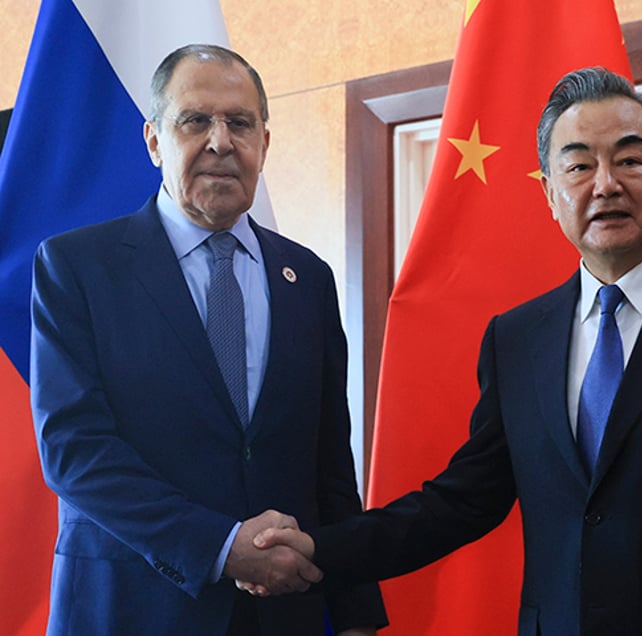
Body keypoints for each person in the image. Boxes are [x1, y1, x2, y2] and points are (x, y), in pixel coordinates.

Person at [240, 67, 642, 635]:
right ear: (551, 194)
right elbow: (461, 501)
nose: (606, 183)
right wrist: (321, 549)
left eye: (630, 159)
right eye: (579, 166)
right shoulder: (519, 337)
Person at [30, 44, 385, 636]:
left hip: (280, 617)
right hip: (129, 610)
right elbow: (74, 451)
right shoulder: (78, 268)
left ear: (264, 144)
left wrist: (356, 616)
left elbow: (329, 466)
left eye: (240, 123)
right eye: (195, 120)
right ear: (152, 141)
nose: (221, 142)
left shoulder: (308, 278)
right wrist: (222, 547)